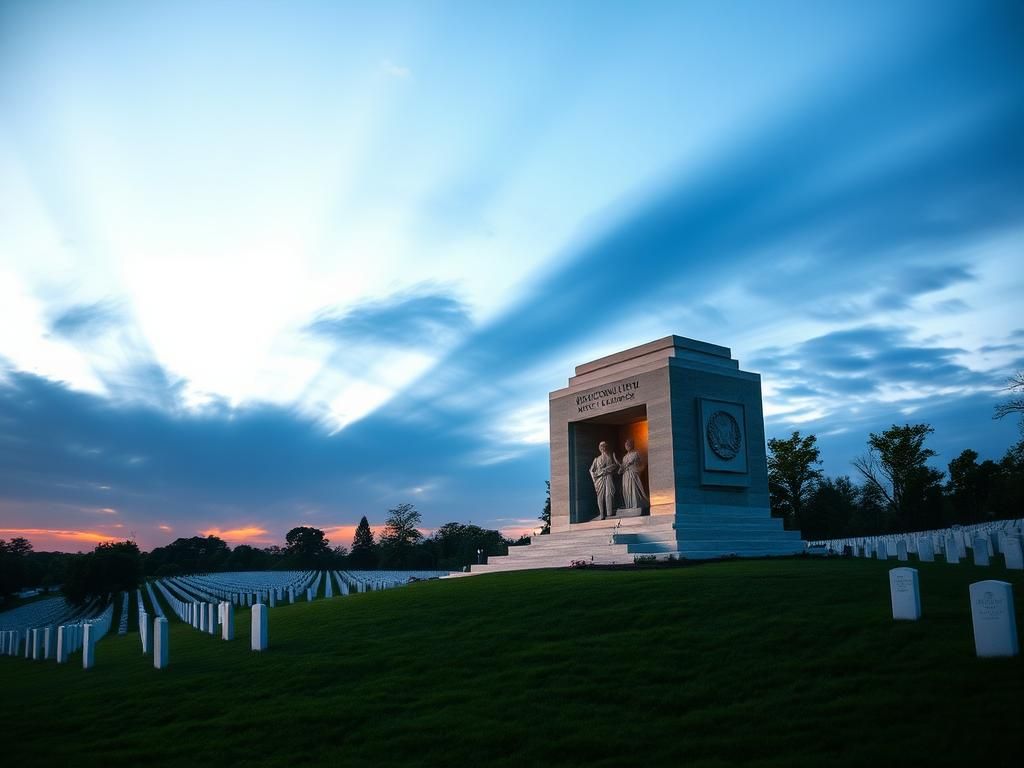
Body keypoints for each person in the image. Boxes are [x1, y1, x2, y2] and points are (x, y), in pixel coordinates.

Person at [589, 441, 619, 520]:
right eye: (601, 446)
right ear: (599, 448)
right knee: (600, 496)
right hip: (600, 479)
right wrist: (594, 481)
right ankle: (602, 513)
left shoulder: (610, 457)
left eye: (604, 446)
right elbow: (591, 470)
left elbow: (615, 465)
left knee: (609, 494)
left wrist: (607, 469)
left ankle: (609, 512)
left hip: (608, 476)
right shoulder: (597, 459)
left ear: (606, 447)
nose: (603, 448)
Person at [618, 439, 649, 510]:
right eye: (626, 445)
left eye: (629, 444)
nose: (627, 446)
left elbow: (640, 464)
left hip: (633, 474)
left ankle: (635, 504)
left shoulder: (635, 454)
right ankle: (629, 505)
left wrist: (630, 466)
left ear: (632, 445)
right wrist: (620, 469)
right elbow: (623, 466)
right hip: (626, 475)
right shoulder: (624, 457)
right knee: (627, 489)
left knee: (633, 489)